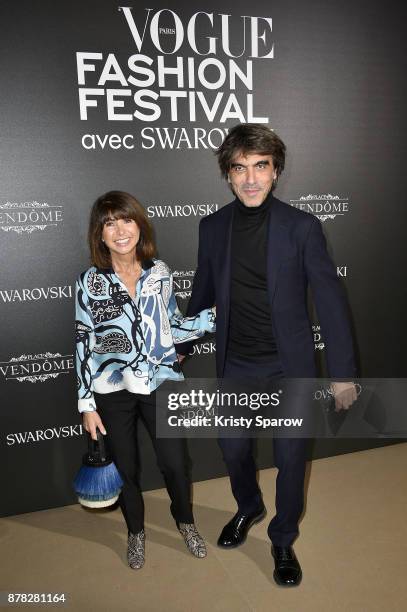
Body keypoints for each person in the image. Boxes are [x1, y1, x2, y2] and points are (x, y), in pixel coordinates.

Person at [177, 124, 357, 586]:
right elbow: (201, 295)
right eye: (240, 168)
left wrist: (342, 375)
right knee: (233, 449)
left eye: (261, 166)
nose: (251, 178)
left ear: (275, 172)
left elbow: (332, 303)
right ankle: (250, 506)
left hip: (288, 369)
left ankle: (282, 537)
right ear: (228, 175)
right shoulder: (213, 227)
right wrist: (174, 347)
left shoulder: (302, 227)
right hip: (236, 364)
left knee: (292, 459)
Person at [75, 190, 215, 570]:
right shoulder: (90, 281)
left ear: (139, 225)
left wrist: (220, 315)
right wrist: (86, 404)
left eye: (126, 219)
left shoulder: (161, 272)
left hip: (160, 380)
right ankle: (136, 531)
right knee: (127, 467)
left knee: (174, 462)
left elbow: (174, 325)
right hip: (113, 390)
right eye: (109, 222)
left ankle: (185, 522)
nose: (120, 230)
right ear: (99, 234)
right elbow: (84, 342)